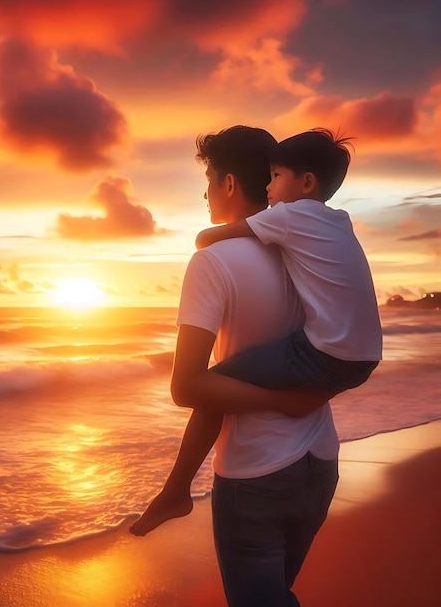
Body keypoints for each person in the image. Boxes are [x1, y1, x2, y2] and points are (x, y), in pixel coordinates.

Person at [130, 126, 381, 606]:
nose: (205, 196)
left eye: (207, 182)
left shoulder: (213, 260)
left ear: (226, 184)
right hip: (321, 463)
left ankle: (175, 493)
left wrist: (280, 403)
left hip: (255, 472)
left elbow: (187, 386)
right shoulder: (304, 246)